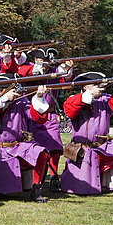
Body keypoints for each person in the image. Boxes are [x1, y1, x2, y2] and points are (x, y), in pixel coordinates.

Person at [0, 73, 52, 203]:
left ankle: (36, 188)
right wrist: (4, 98)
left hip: (19, 146)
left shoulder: (22, 102)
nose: (0, 91)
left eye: (4, 89)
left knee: (41, 154)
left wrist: (39, 97)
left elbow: (37, 118)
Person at [61, 72, 113, 197]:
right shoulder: (74, 99)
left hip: (103, 148)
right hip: (83, 151)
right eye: (95, 85)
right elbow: (70, 110)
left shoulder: (105, 100)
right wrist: (87, 98)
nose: (100, 88)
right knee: (82, 190)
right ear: (85, 87)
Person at [18, 47, 74, 192]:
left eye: (50, 60)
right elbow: (22, 72)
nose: (49, 63)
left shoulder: (54, 72)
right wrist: (40, 68)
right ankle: (33, 182)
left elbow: (67, 83)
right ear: (37, 60)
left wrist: (67, 68)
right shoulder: (29, 68)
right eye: (45, 60)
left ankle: (54, 177)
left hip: (50, 115)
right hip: (30, 115)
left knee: (55, 148)